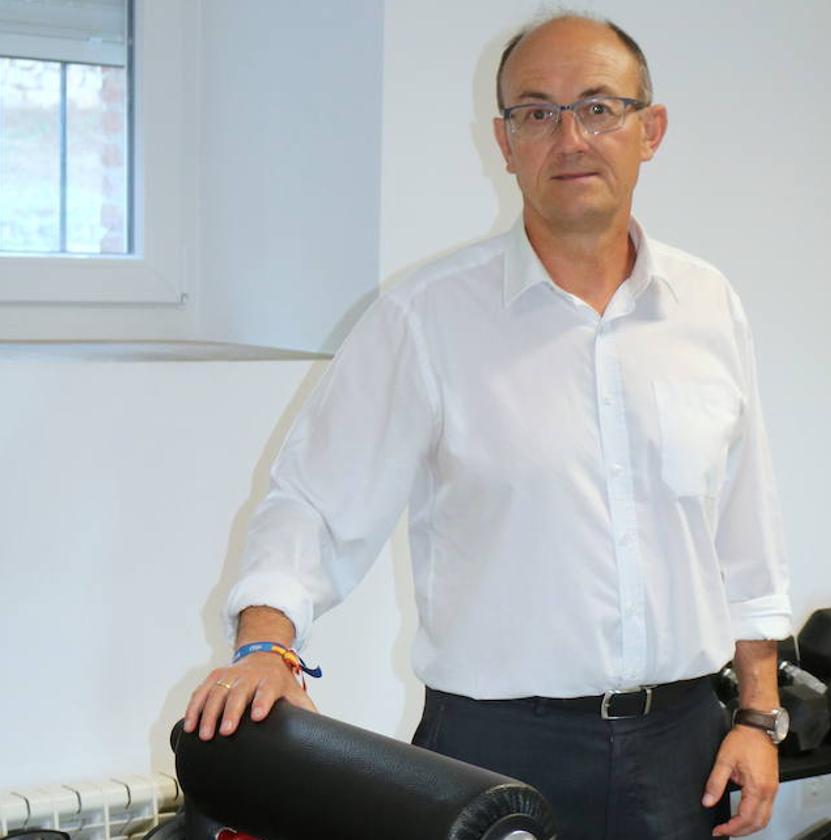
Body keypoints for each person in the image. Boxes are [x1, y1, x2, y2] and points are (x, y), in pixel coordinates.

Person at [184, 12, 791, 839]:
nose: (569, 136)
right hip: (493, 751)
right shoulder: (423, 319)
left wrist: (759, 717)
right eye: (537, 113)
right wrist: (265, 645)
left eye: (599, 107)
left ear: (651, 130)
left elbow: (744, 539)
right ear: (504, 143)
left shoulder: (709, 306)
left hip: (683, 747)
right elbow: (313, 504)